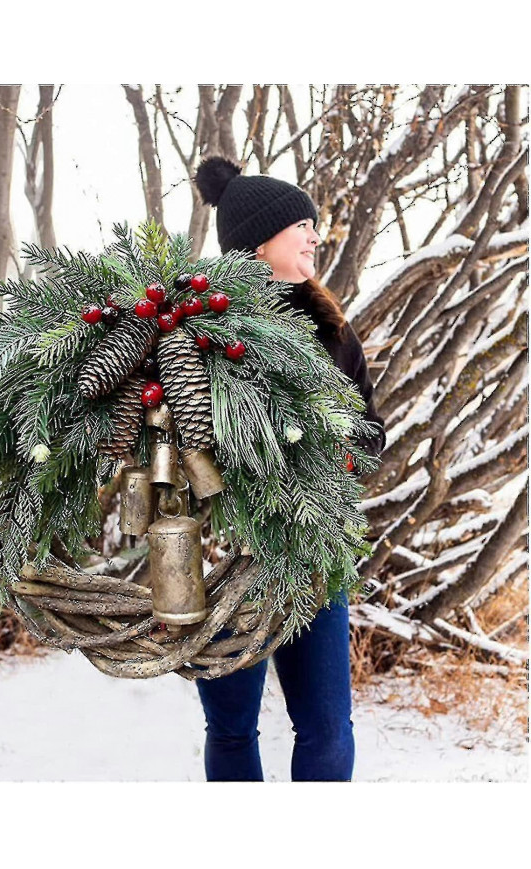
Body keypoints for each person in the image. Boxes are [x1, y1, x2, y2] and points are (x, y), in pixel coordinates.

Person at [191, 156, 387, 782]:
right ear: (258, 242)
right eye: (301, 225)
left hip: (312, 557)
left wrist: (334, 451)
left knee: (327, 729)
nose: (314, 236)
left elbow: (371, 431)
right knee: (231, 728)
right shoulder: (202, 330)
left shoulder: (332, 330)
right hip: (224, 556)